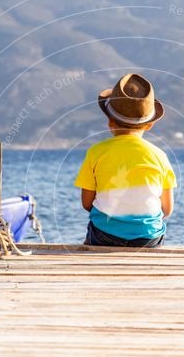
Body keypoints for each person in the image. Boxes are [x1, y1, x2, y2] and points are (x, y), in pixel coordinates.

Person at [74, 73, 176, 247]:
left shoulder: (96, 152)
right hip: (148, 238)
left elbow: (87, 203)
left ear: (109, 121)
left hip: (105, 235)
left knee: (94, 231)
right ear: (149, 124)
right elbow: (167, 210)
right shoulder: (160, 155)